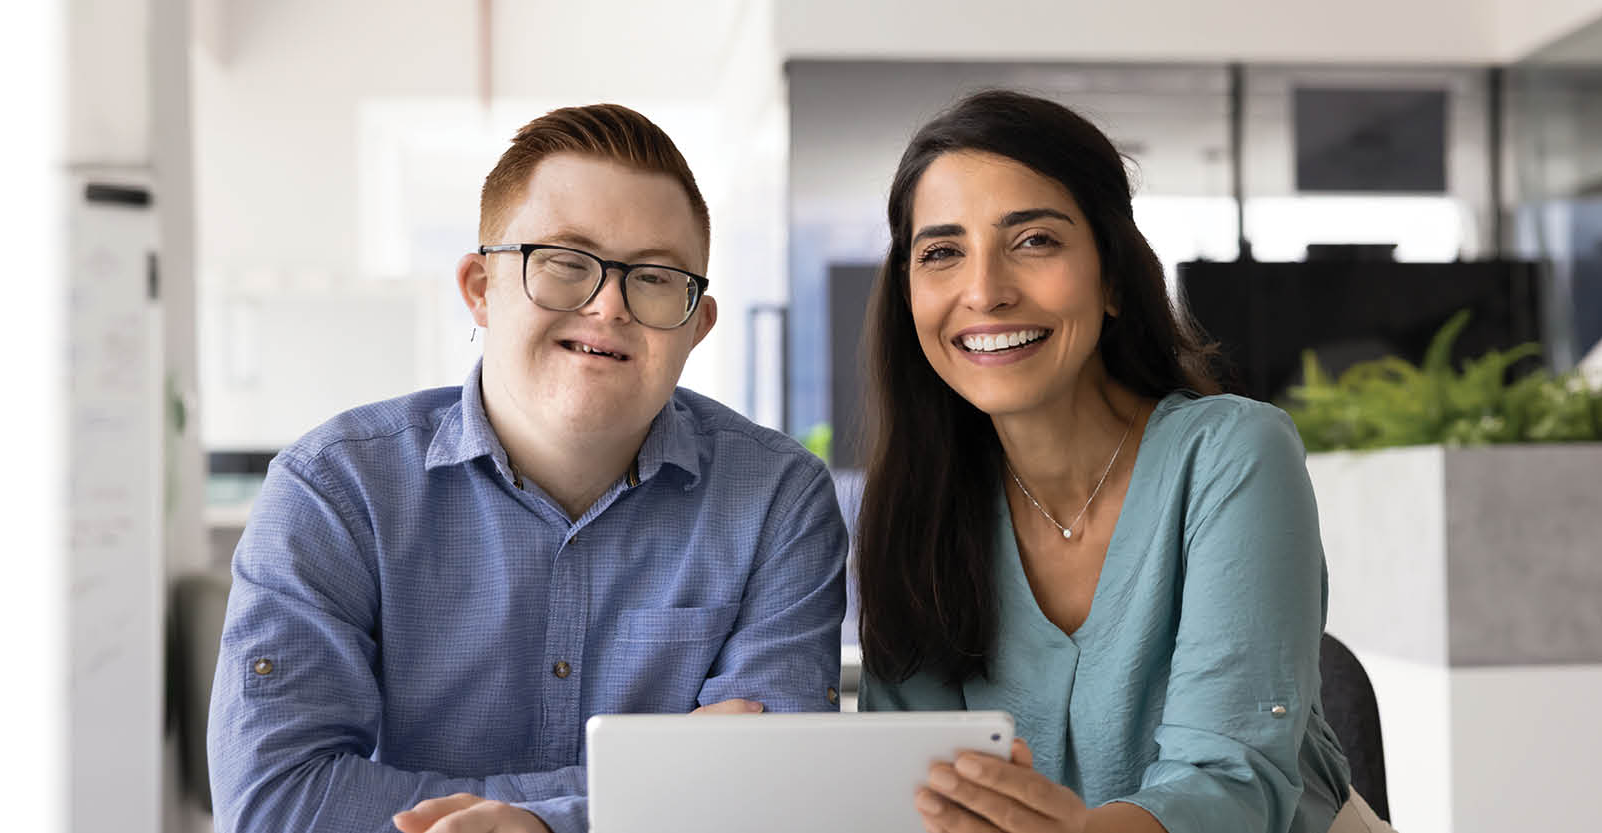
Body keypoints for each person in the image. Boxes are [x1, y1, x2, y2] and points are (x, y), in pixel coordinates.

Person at [207, 103, 849, 833]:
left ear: (697, 325)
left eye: (656, 278)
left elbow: (774, 797)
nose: (609, 306)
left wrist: (544, 822)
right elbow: (277, 806)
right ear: (481, 287)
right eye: (566, 264)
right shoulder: (334, 489)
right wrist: (635, 793)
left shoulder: (777, 499)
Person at [853, 89, 1387, 833]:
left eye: (1034, 240)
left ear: (1110, 277)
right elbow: (909, 791)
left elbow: (1231, 779)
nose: (984, 291)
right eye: (941, 252)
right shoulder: (919, 504)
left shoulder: (1233, 454)